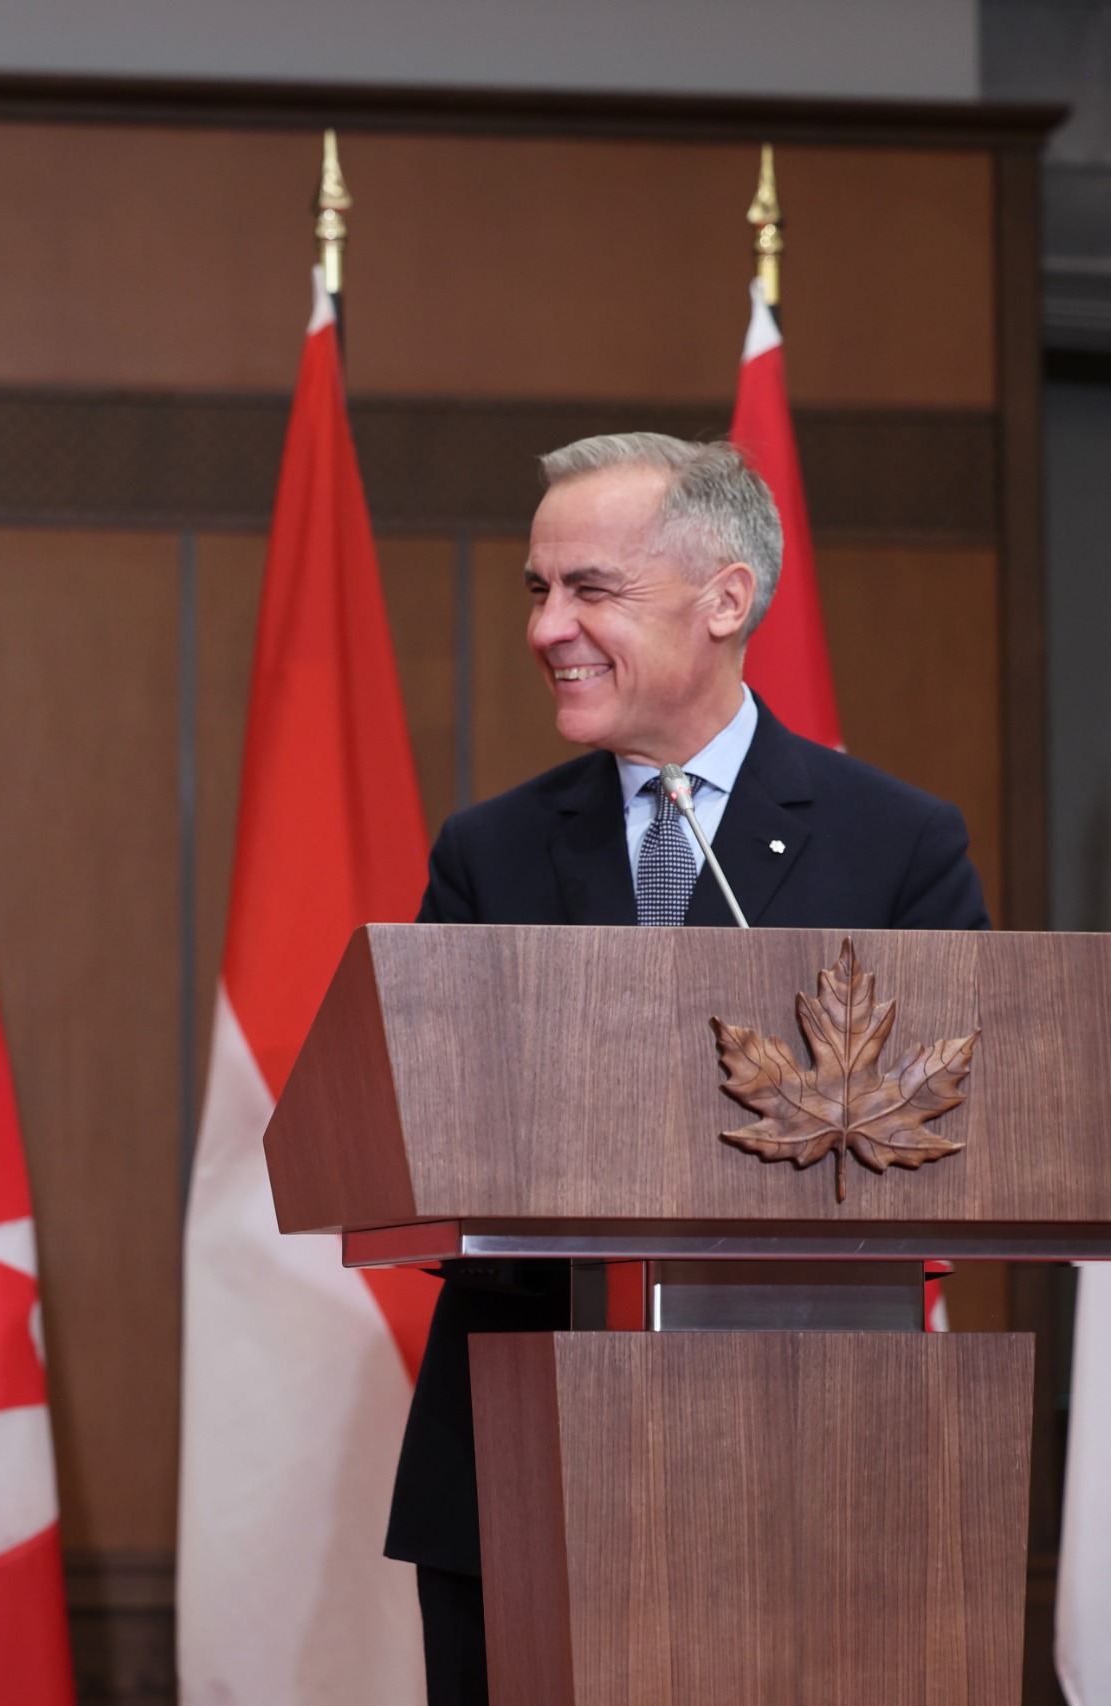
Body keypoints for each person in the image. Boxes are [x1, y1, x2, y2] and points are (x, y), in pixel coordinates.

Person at [381, 433, 989, 1705]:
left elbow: (962, 1138)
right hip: (523, 1466)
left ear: (726, 599)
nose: (547, 627)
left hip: (820, 1466)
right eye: (538, 590)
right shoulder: (489, 851)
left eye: (589, 589)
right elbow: (419, 1144)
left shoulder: (896, 846)